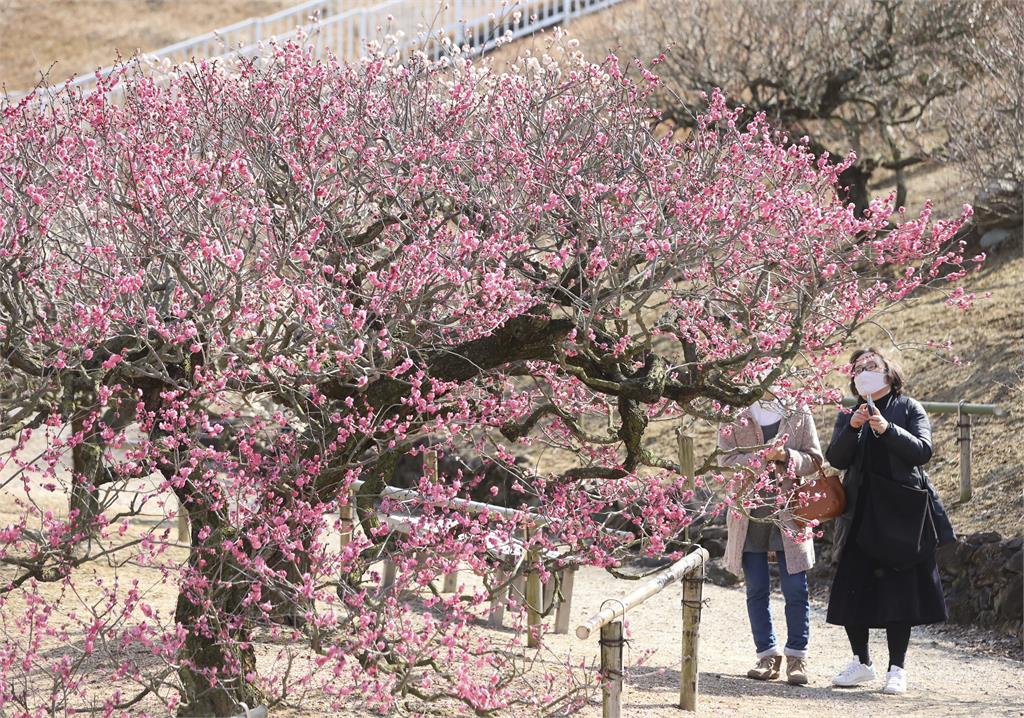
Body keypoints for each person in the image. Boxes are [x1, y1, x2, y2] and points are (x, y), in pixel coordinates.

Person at [825, 347, 955, 695]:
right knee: (852, 589)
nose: (864, 370)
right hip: (860, 511)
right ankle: (860, 661)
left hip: (900, 512)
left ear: (888, 371)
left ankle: (896, 668)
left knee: (900, 592)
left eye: (872, 365)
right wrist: (852, 428)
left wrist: (886, 428)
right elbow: (836, 457)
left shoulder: (908, 407)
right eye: (858, 367)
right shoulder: (848, 413)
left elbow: (922, 450)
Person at [720, 397, 823, 685]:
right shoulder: (734, 410)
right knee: (756, 589)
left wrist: (786, 456)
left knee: (796, 590)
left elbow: (815, 460)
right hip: (748, 512)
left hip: (790, 511)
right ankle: (766, 654)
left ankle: (797, 657)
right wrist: (759, 458)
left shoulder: (798, 408)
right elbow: (724, 460)